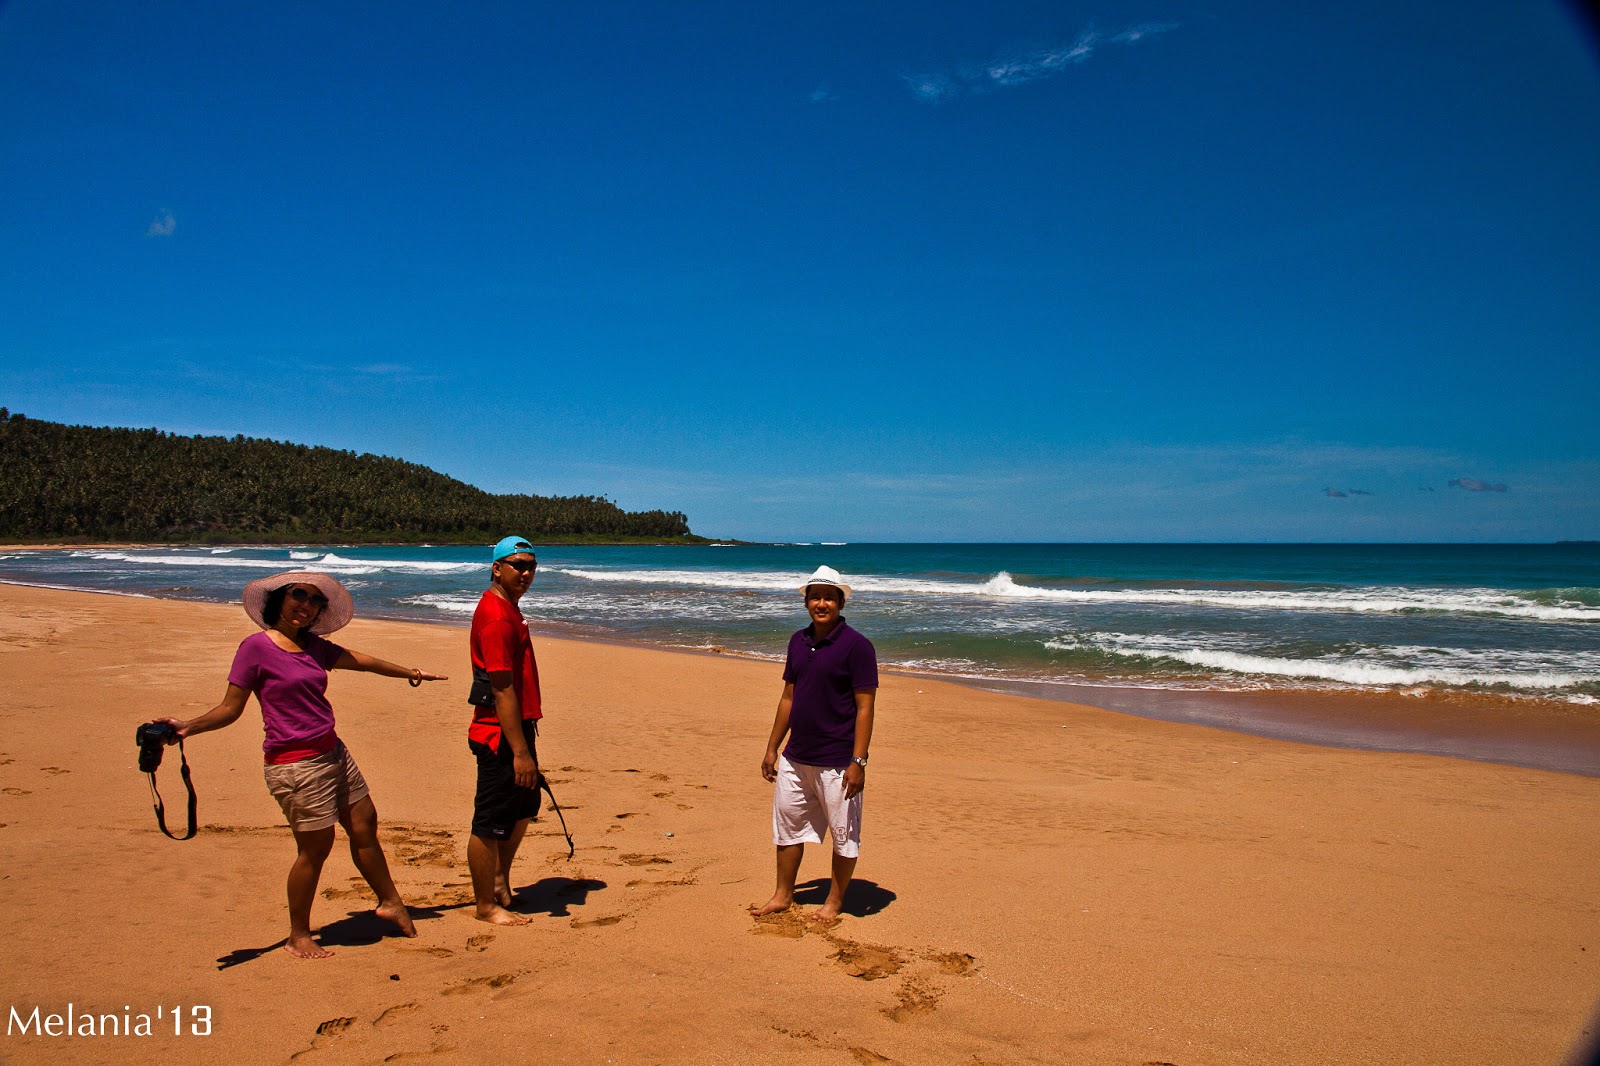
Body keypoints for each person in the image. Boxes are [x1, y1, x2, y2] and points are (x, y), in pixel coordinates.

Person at [161, 570, 447, 959]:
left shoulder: (313, 646)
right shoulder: (256, 649)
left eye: (315, 601)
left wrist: (411, 673)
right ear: (278, 599)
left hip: (333, 752)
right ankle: (298, 934)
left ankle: (391, 901)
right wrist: (186, 728)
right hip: (296, 765)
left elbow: (360, 661)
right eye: (299, 595)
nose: (307, 605)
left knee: (365, 824)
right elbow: (230, 709)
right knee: (315, 849)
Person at [751, 565, 877, 924]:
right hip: (796, 757)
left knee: (844, 835)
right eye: (815, 597)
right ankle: (782, 895)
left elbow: (866, 706)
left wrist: (859, 760)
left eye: (829, 598)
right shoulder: (797, 641)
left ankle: (834, 902)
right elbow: (788, 696)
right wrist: (772, 747)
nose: (822, 604)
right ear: (806, 602)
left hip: (838, 761)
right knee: (788, 829)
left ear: (840, 602)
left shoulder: (857, 646)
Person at [466, 536, 547, 926]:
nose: (526, 573)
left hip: (517, 728)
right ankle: (486, 906)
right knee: (490, 819)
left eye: (531, 565)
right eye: (518, 565)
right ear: (497, 568)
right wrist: (519, 752)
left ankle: (499, 878)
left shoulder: (509, 609)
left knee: (524, 807)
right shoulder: (498, 617)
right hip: (498, 735)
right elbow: (501, 688)